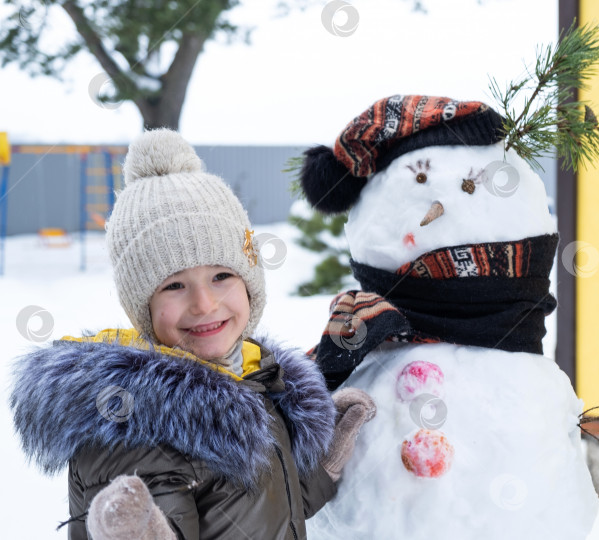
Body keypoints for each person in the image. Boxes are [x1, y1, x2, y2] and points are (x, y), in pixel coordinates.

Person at [9, 129, 375, 539]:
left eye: (221, 276)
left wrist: (319, 468)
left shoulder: (252, 376)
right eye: (173, 285)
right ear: (141, 306)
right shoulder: (135, 426)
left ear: (251, 283)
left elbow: (264, 510)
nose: (203, 304)